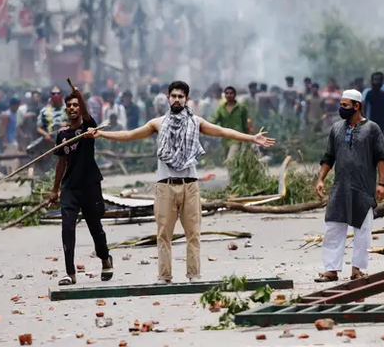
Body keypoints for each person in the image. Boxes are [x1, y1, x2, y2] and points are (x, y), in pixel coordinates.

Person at [86, 81, 274, 283]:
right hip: (165, 186)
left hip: (190, 185)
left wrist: (252, 138)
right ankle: (164, 277)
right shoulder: (157, 123)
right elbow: (130, 135)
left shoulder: (196, 122)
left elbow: (223, 131)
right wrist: (101, 133)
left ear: (187, 99)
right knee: (163, 234)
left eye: (180, 96)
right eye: (174, 96)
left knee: (193, 233)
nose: (176, 100)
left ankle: (194, 275)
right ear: (168, 98)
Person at [315, 89, 384, 283]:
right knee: (333, 228)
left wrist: (381, 183)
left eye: (345, 105)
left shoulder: (372, 129)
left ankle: (357, 270)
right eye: (341, 105)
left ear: (357, 106)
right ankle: (331, 270)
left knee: (363, 231)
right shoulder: (336, 129)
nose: (341, 108)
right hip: (340, 188)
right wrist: (321, 179)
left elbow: (381, 158)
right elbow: (329, 156)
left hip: (363, 188)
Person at [49, 87, 113, 285]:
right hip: (70, 187)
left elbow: (86, 113)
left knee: (95, 227)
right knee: (67, 228)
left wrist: (80, 96)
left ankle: (105, 258)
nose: (72, 108)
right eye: (69, 105)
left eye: (76, 105)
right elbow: (61, 162)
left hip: (90, 185)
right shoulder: (62, 134)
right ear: (65, 109)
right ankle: (70, 273)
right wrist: (55, 189)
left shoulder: (89, 128)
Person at [212, 86, 249, 162]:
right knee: (227, 160)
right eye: (227, 93)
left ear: (235, 94)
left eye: (231, 93)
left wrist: (247, 138)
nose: (229, 95)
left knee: (230, 159)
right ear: (224, 95)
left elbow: (245, 124)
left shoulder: (241, 108)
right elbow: (214, 120)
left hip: (237, 137)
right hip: (225, 138)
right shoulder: (221, 108)